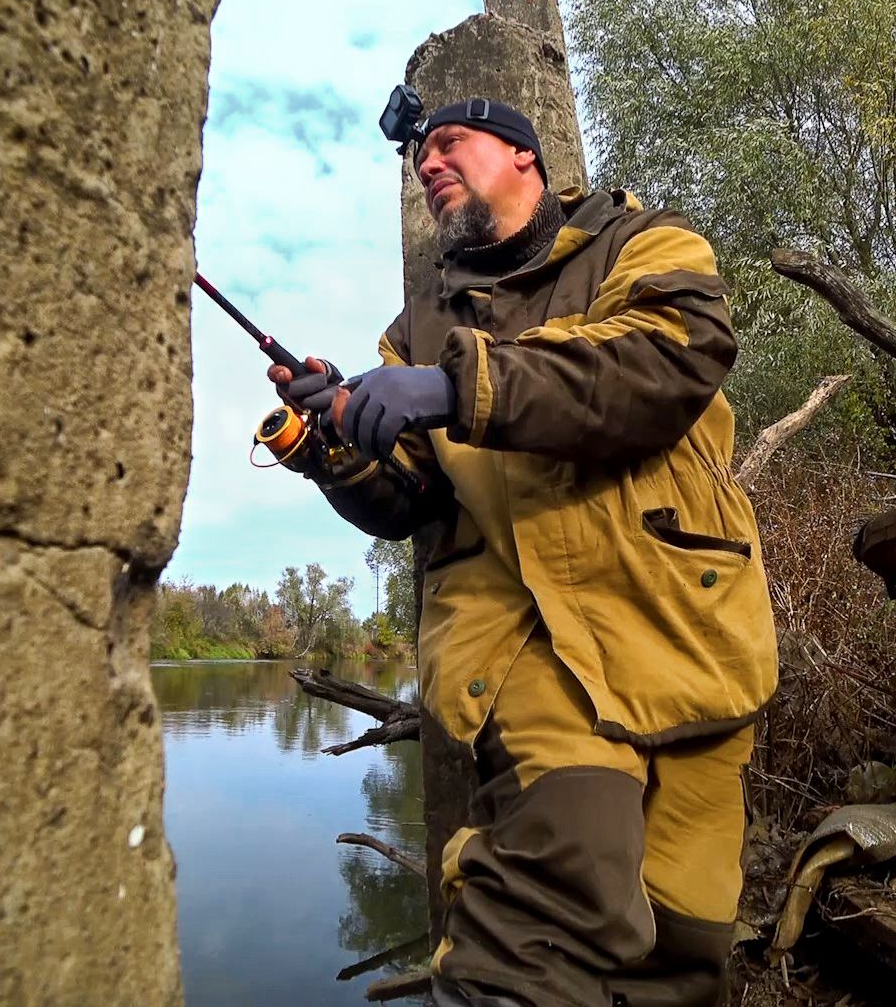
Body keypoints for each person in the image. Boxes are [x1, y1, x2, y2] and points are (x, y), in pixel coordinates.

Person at [270, 97, 777, 1007]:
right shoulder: (413, 332)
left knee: (688, 949)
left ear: (522, 154)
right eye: (420, 160)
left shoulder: (643, 243)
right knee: (544, 918)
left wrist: (456, 387)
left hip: (689, 630)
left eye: (449, 145)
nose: (429, 166)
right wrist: (332, 443)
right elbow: (411, 498)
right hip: (528, 644)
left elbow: (666, 365)